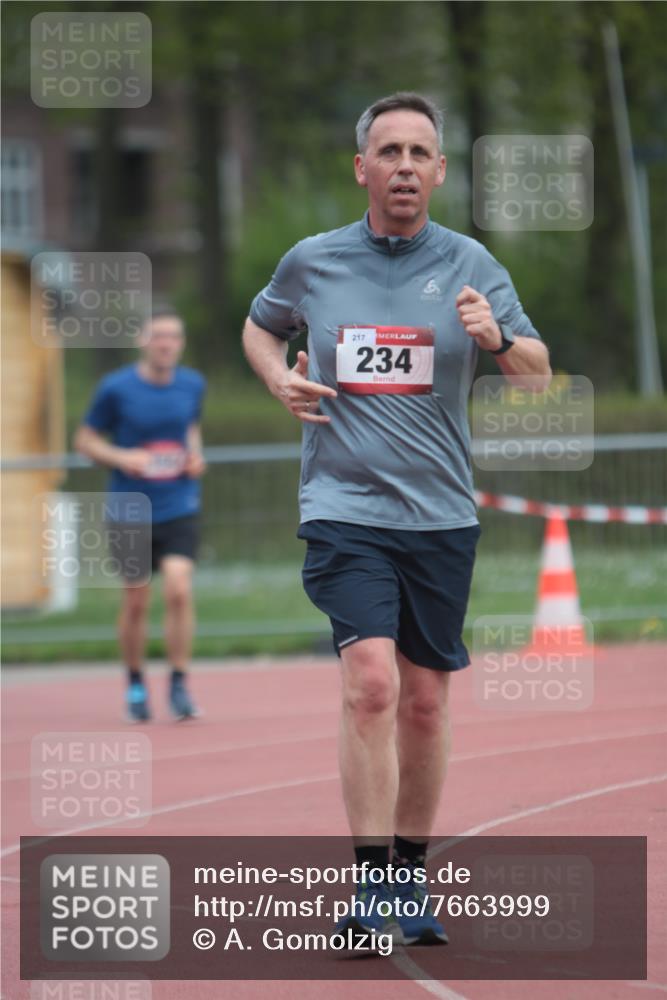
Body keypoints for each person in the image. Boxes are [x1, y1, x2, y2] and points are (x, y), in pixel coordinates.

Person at [242, 92, 551, 945]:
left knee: (422, 702)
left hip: (440, 516)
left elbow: (535, 372)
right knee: (370, 682)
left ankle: (408, 880)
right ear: (362, 168)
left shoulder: (472, 265)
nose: (405, 166)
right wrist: (278, 378)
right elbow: (259, 327)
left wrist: (494, 339)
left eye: (420, 152)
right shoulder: (313, 261)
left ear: (439, 171)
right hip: (344, 508)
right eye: (389, 152)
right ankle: (371, 884)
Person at [75, 311, 206, 722]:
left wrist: (195, 455)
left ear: (181, 343)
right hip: (130, 507)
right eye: (159, 336)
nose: (166, 344)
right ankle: (135, 684)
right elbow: (84, 440)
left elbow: (191, 426)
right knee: (137, 600)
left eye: (173, 337)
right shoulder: (115, 388)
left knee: (180, 589)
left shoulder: (193, 384)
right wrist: (122, 456)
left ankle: (179, 683)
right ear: (142, 341)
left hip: (179, 503)